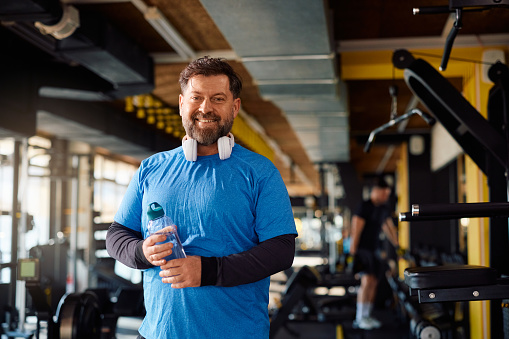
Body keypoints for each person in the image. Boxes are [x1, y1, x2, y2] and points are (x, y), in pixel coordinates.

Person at [106, 56, 298, 339]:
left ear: (235, 107)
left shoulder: (259, 172)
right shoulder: (151, 168)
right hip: (158, 333)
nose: (205, 108)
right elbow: (117, 235)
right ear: (182, 103)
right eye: (196, 97)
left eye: (217, 98)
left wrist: (208, 271)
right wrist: (141, 252)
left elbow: (281, 250)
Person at [349, 177, 399, 330]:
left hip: (374, 250)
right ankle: (360, 318)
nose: (386, 196)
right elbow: (356, 229)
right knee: (366, 282)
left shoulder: (382, 209)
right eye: (384, 193)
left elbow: (388, 227)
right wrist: (353, 253)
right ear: (376, 191)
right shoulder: (364, 206)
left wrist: (397, 245)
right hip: (363, 250)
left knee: (374, 282)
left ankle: (367, 316)